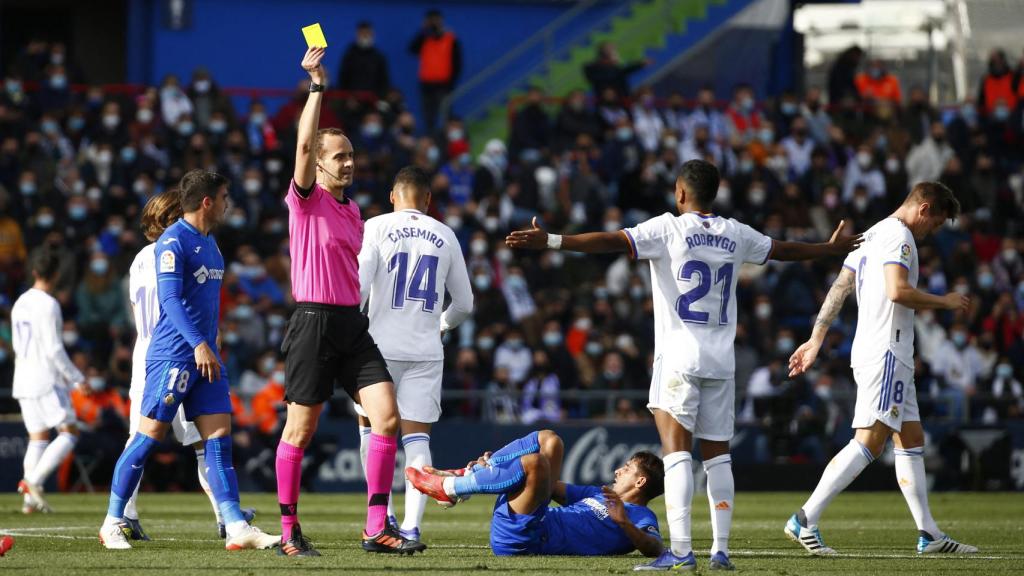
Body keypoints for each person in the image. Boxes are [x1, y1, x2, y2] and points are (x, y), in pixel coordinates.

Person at [506, 159, 861, 570]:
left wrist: (551, 240)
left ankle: (681, 552)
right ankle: (721, 551)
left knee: (676, 456)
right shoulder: (736, 233)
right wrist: (829, 249)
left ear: (679, 193)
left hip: (678, 359)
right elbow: (784, 251)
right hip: (720, 361)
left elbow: (608, 241)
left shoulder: (667, 228)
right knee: (718, 458)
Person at [274, 46, 423, 556]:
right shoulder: (306, 199)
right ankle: (289, 531)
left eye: (351, 155)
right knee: (302, 428)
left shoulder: (354, 210)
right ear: (317, 163)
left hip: (350, 323)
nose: (350, 162)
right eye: (339, 156)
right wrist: (317, 87)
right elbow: (299, 147)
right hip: (312, 321)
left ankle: (376, 526)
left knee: (386, 417)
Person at [785, 181, 977, 556]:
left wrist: (816, 338)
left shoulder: (872, 234)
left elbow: (840, 287)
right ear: (923, 210)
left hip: (885, 350)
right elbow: (897, 291)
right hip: (887, 349)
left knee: (911, 439)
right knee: (870, 440)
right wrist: (946, 301)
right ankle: (805, 518)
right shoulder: (900, 236)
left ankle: (929, 534)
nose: (931, 232)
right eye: (934, 224)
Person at [97, 170, 278, 551]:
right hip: (173, 355)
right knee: (148, 437)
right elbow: (170, 302)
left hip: (206, 358)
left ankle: (235, 526)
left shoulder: (210, 244)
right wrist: (198, 342)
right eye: (225, 196)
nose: (230, 204)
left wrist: (210, 340)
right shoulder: (172, 243)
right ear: (207, 201)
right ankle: (113, 520)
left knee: (217, 439)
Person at [119, 190, 255, 541]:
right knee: (199, 442)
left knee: (143, 437)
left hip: (146, 350)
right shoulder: (178, 250)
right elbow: (181, 303)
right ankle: (226, 516)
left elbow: (139, 310)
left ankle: (125, 513)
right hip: (177, 352)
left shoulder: (138, 259)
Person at [353, 165, 474, 544]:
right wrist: (441, 324)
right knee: (417, 439)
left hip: (377, 349)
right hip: (425, 349)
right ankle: (411, 525)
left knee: (371, 430)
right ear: (428, 199)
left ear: (392, 196)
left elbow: (357, 289)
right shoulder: (445, 233)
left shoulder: (374, 227)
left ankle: (382, 515)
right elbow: (465, 303)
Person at [406, 430, 664, 558]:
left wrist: (623, 522)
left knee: (536, 463)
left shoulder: (641, 516)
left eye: (627, 469)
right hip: (532, 518)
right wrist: (502, 467)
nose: (618, 470)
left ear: (640, 481)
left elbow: (655, 548)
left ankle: (451, 488)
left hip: (526, 539)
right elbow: (548, 487)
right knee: (551, 440)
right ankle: (471, 474)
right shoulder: (598, 493)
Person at [12, 246, 89, 514]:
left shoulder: (20, 302)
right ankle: (32, 482)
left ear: (34, 271)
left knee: (38, 438)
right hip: (44, 378)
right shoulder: (49, 304)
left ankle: (28, 502)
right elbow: (54, 349)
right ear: (56, 275)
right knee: (70, 432)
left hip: (21, 378)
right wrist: (78, 378)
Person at [408, 9, 462, 134]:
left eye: (436, 20)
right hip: (426, 84)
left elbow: (458, 64)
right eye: (430, 21)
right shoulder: (424, 38)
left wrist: (451, 84)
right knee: (428, 117)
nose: (433, 24)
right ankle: (431, 140)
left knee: (445, 115)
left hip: (444, 85)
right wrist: (422, 31)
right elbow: (411, 49)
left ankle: (446, 141)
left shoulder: (451, 39)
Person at [338, 21, 391, 99]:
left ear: (372, 34)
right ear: (357, 34)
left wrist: (381, 98)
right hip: (352, 100)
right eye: (362, 33)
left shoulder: (378, 57)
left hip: (374, 99)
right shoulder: (349, 56)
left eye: (367, 33)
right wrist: (346, 98)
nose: (365, 36)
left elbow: (384, 80)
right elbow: (343, 79)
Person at [583, 42, 650, 101]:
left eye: (614, 50)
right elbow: (607, 77)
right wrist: (610, 63)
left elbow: (623, 71)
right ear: (603, 52)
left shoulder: (614, 67)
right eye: (611, 50)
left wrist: (640, 64)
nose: (615, 53)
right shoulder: (591, 67)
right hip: (609, 103)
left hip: (624, 99)